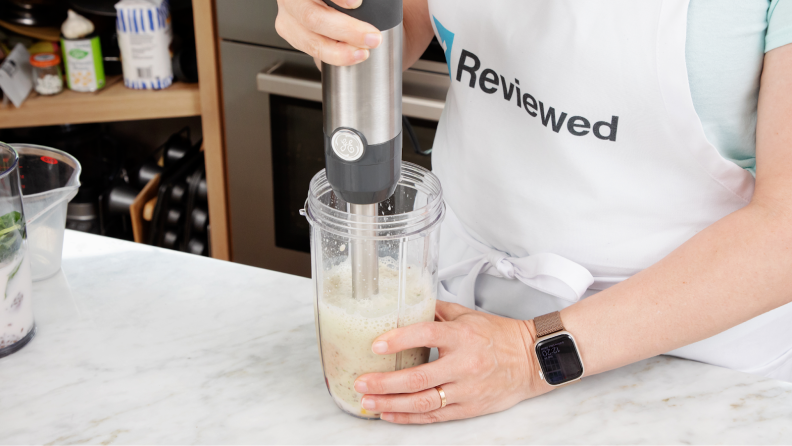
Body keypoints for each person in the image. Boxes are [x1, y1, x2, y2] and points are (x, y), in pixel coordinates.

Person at [276, 0, 792, 424]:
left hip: (692, 369)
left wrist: (529, 354)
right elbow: (397, 22)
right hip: (456, 327)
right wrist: (331, 23)